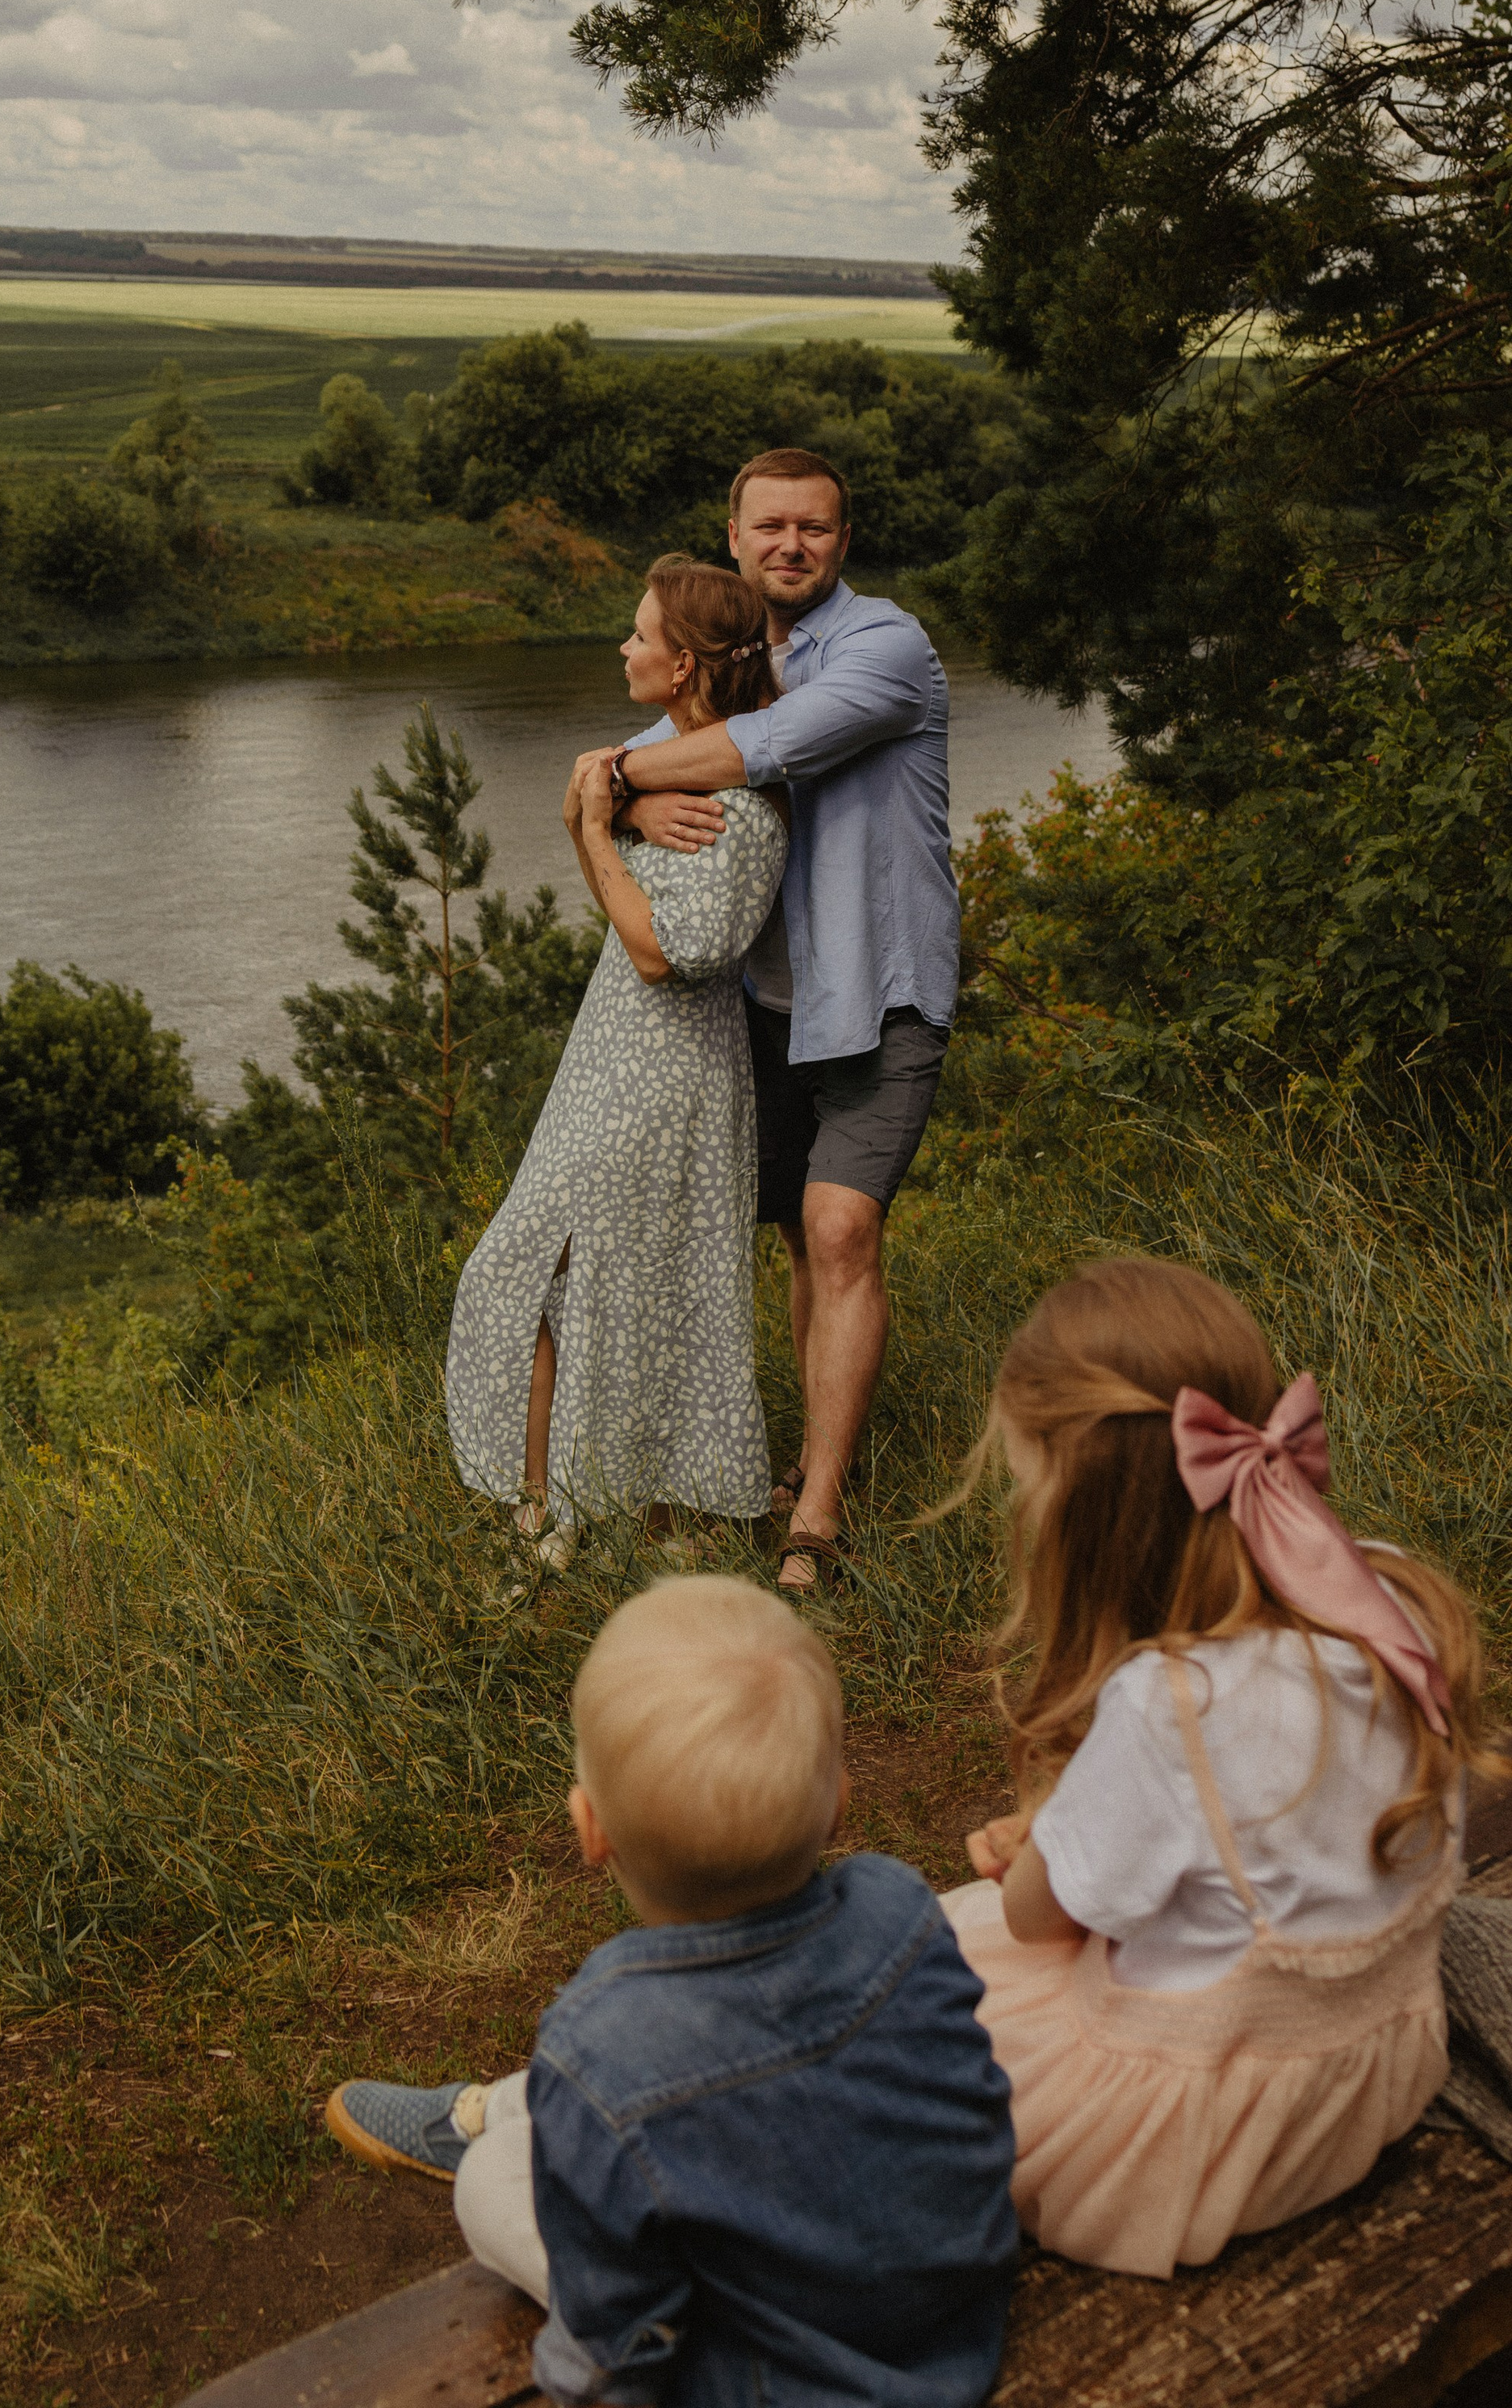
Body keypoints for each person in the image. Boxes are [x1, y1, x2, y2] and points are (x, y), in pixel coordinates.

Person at [325, 1575, 1020, 2408]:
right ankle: (505, 2113)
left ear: (590, 1831)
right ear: (839, 1801)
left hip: (786, 2380)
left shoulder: (596, 2040)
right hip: (956, 2320)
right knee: (602, 2098)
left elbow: (621, 2330)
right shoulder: (901, 1909)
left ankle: (500, 2130)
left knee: (492, 2184)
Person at [941, 1256, 1496, 2277]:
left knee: (944, 1962)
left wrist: (1042, 1834)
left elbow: (1037, 1918)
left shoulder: (1172, 1706)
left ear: (1083, 1510)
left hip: (1194, 2147)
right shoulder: (1378, 1600)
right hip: (1371, 2068)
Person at [596, 450, 957, 1596]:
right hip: (767, 1006)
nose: (790, 545)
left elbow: (763, 750)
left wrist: (608, 779)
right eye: (770, 527)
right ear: (737, 534)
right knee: (802, 1238)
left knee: (844, 1230)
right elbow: (686, 770)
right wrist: (639, 789)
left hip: (884, 995)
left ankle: (817, 1518)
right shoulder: (741, 662)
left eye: (813, 528)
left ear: (842, 544)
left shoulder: (884, 652)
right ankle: (804, 1459)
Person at [444, 559, 788, 1554]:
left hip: (667, 1073)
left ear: (682, 666)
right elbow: (588, 796)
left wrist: (595, 827)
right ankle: (569, 1502)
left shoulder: (740, 808)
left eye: (639, 638)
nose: (623, 649)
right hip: (610, 1062)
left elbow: (659, 953)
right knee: (563, 1273)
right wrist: (613, 813)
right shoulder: (660, 767)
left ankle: (566, 1514)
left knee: (602, 1277)